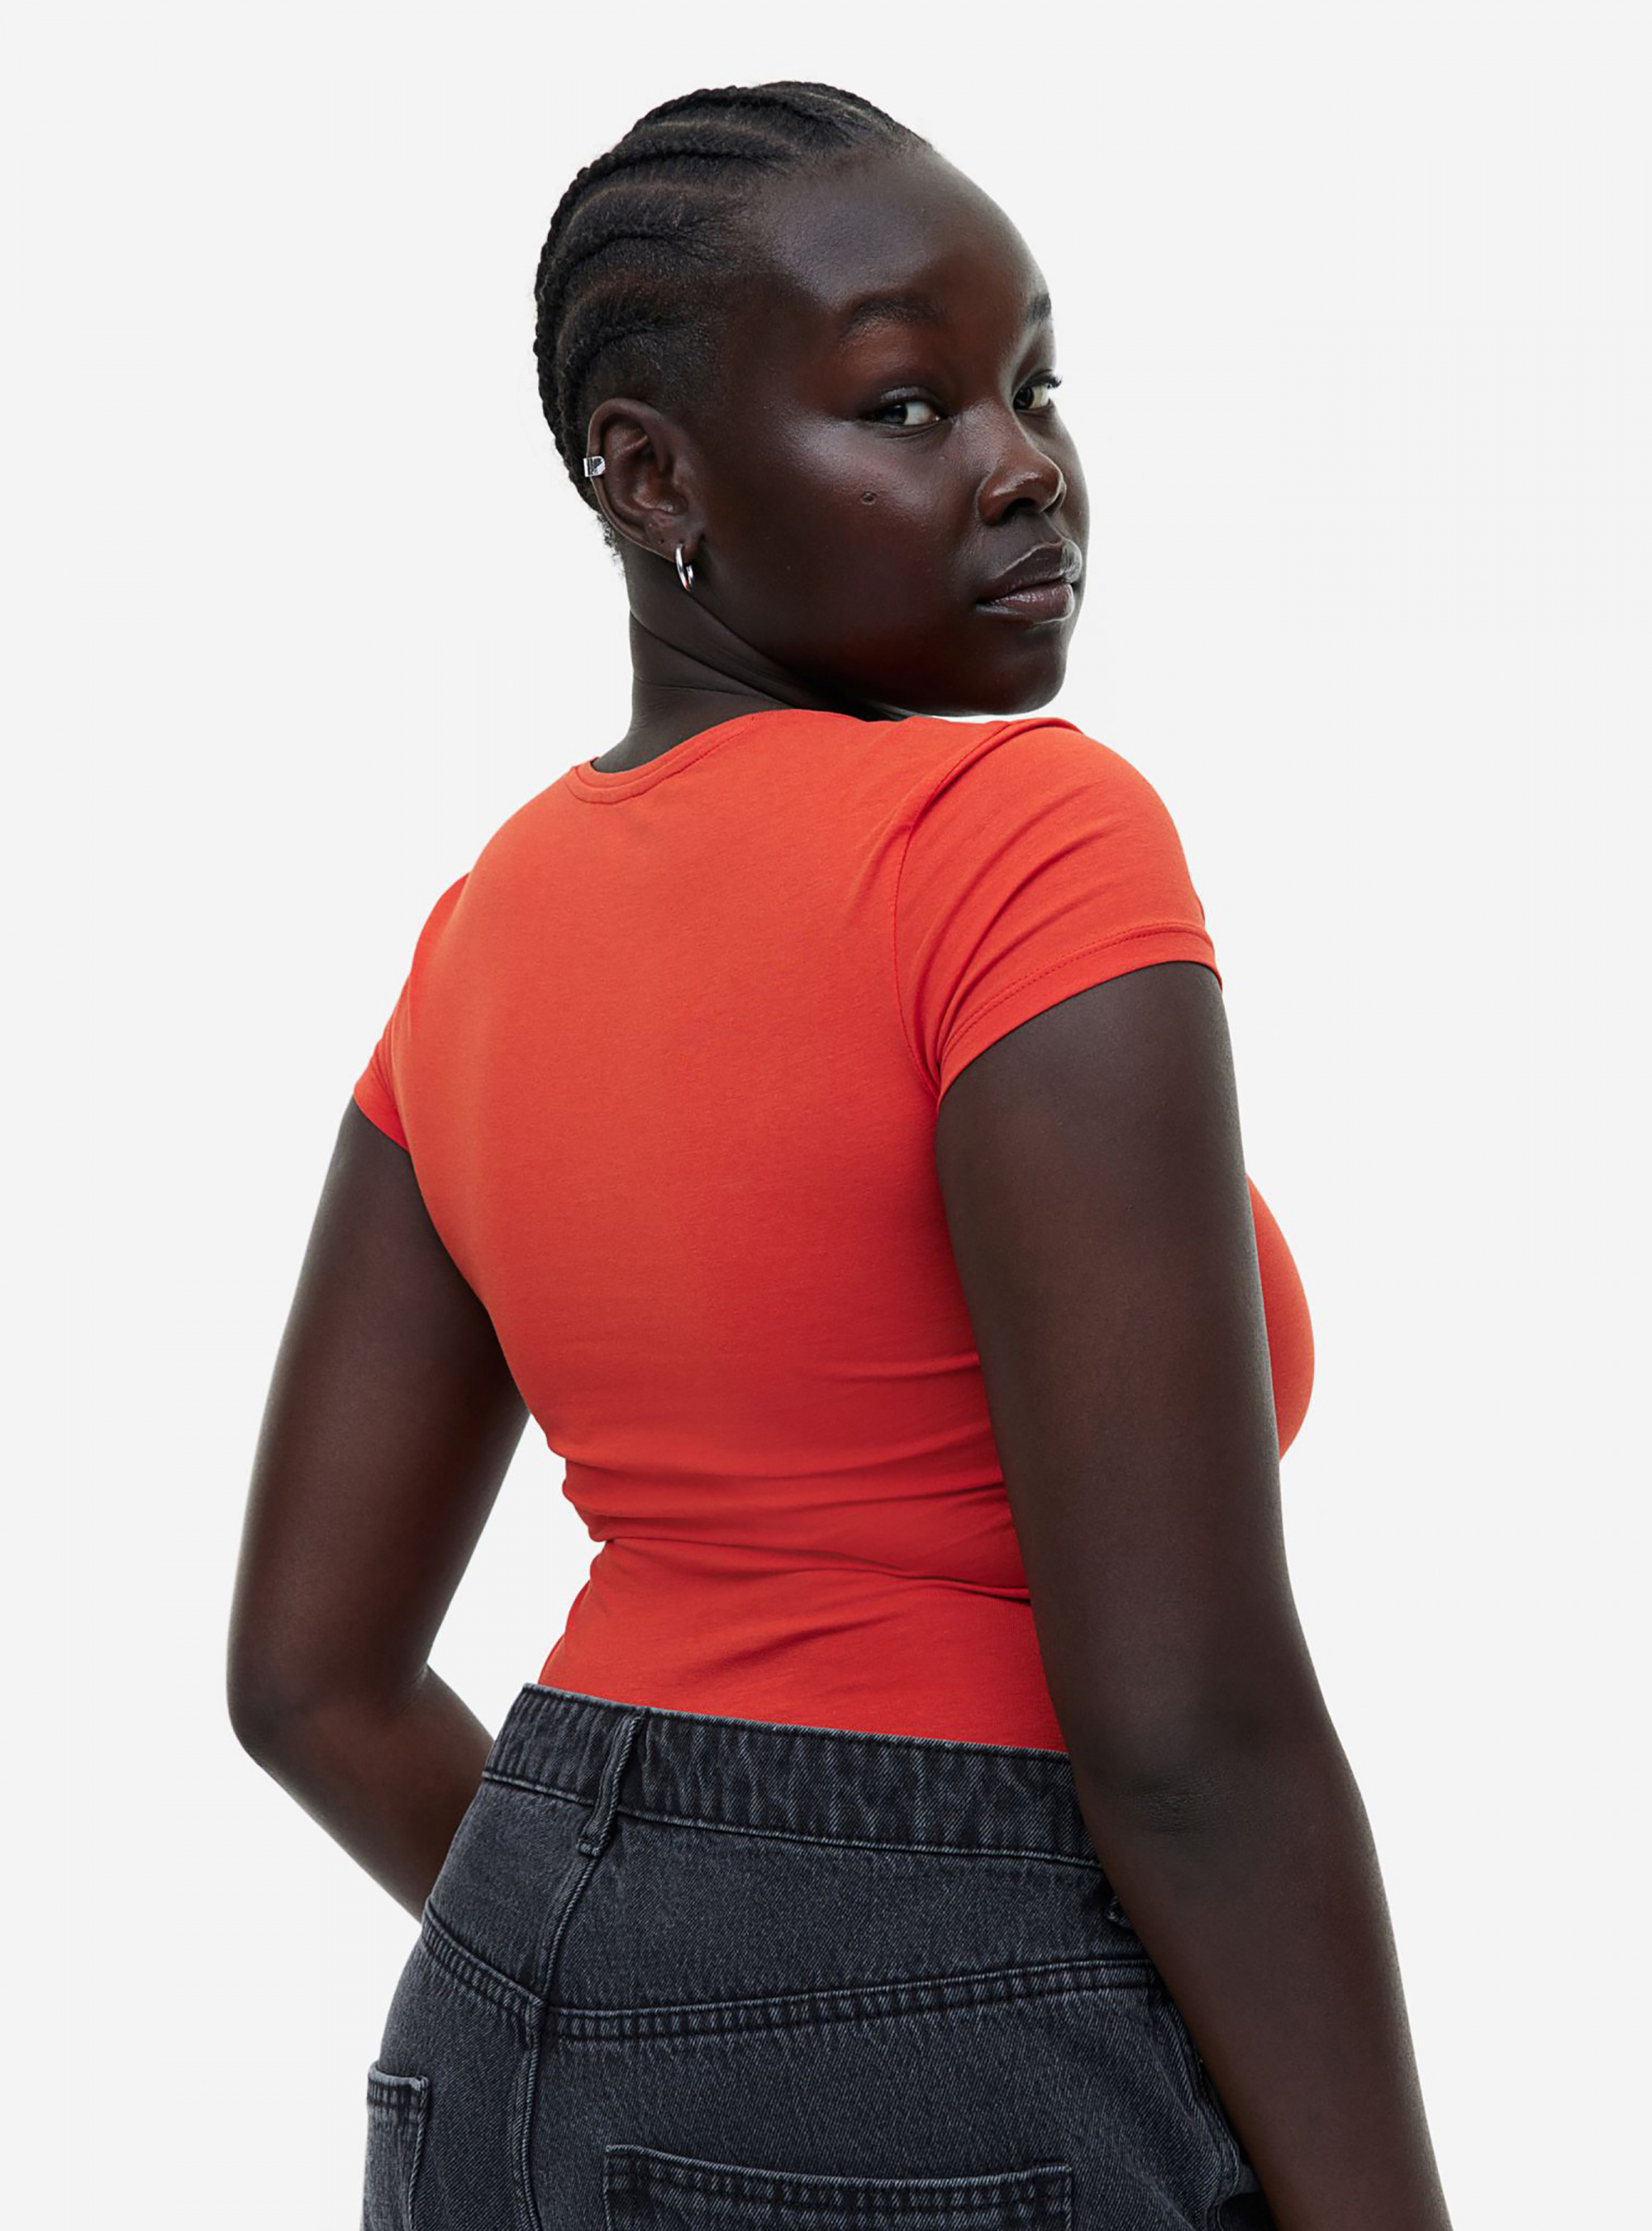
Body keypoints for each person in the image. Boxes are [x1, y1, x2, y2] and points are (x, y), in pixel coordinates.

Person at [227, 78, 1453, 2231]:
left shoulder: (485, 926)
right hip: (956, 1998)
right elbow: (1186, 1728)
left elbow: (310, 1682)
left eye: (1034, 384)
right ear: (650, 478)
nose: (1022, 464)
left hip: (492, 2025)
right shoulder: (1017, 842)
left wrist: (642, 1979)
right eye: (905, 407)